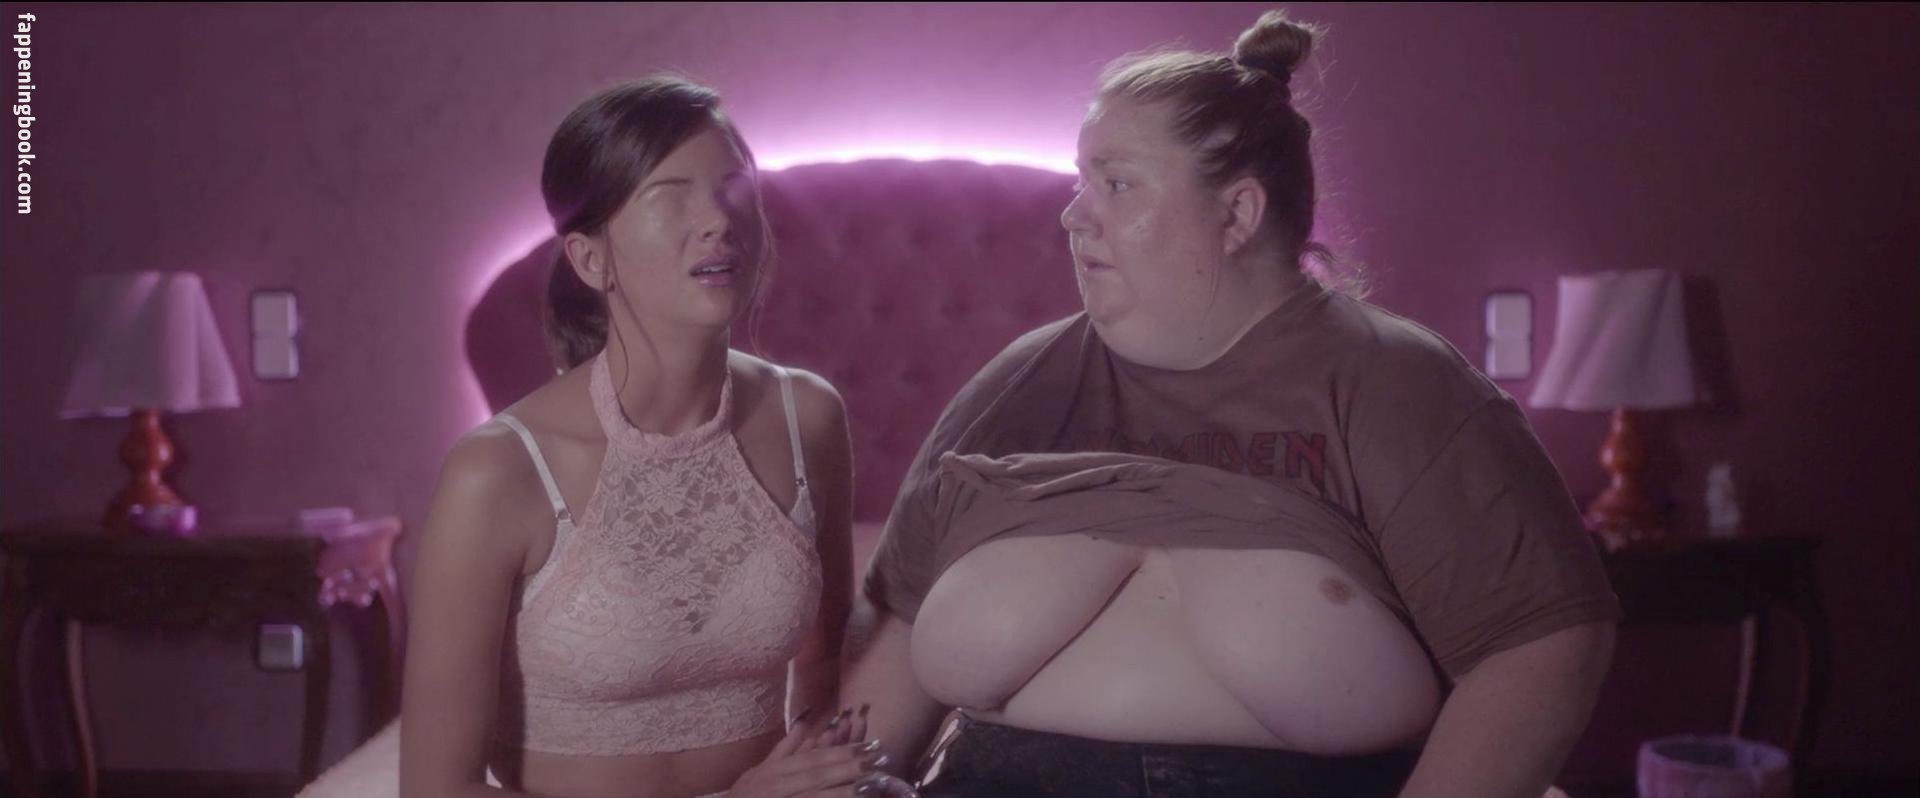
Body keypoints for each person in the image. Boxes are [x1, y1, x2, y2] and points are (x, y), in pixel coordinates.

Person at [837, 11, 1621, 798]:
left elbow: (1542, 646)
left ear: (1238, 213)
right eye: (1081, 182)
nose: (1073, 215)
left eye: (1116, 184)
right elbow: (895, 632)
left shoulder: (1400, 386)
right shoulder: (1022, 385)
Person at [299, 76, 892, 798]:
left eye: (735, 186)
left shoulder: (808, 419)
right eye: (670, 194)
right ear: (590, 259)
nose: (717, 219)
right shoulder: (499, 473)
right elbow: (437, 792)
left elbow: (824, 675)